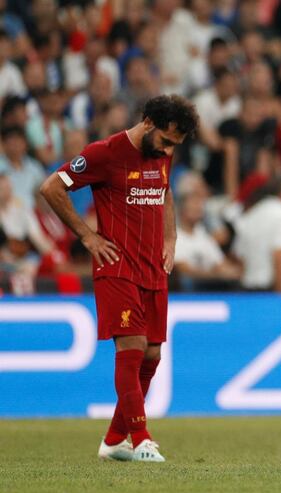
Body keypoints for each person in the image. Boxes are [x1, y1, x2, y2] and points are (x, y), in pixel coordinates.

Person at [39, 95, 199, 463]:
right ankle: (141, 438)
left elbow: (165, 191)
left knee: (153, 355)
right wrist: (87, 236)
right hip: (117, 266)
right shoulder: (104, 153)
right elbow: (51, 187)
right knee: (132, 346)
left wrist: (171, 238)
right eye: (166, 140)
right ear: (147, 123)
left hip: (152, 268)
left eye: (175, 144)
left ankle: (114, 440)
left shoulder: (163, 154)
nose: (169, 149)